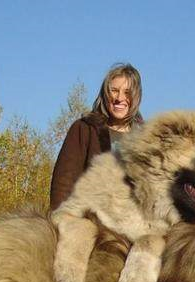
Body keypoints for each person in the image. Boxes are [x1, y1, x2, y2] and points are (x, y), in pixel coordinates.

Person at [50, 63, 143, 211]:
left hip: (132, 226)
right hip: (89, 222)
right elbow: (63, 182)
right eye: (114, 90)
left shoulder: (145, 138)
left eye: (127, 92)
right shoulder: (84, 129)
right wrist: (59, 219)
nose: (120, 98)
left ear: (136, 96)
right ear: (105, 94)